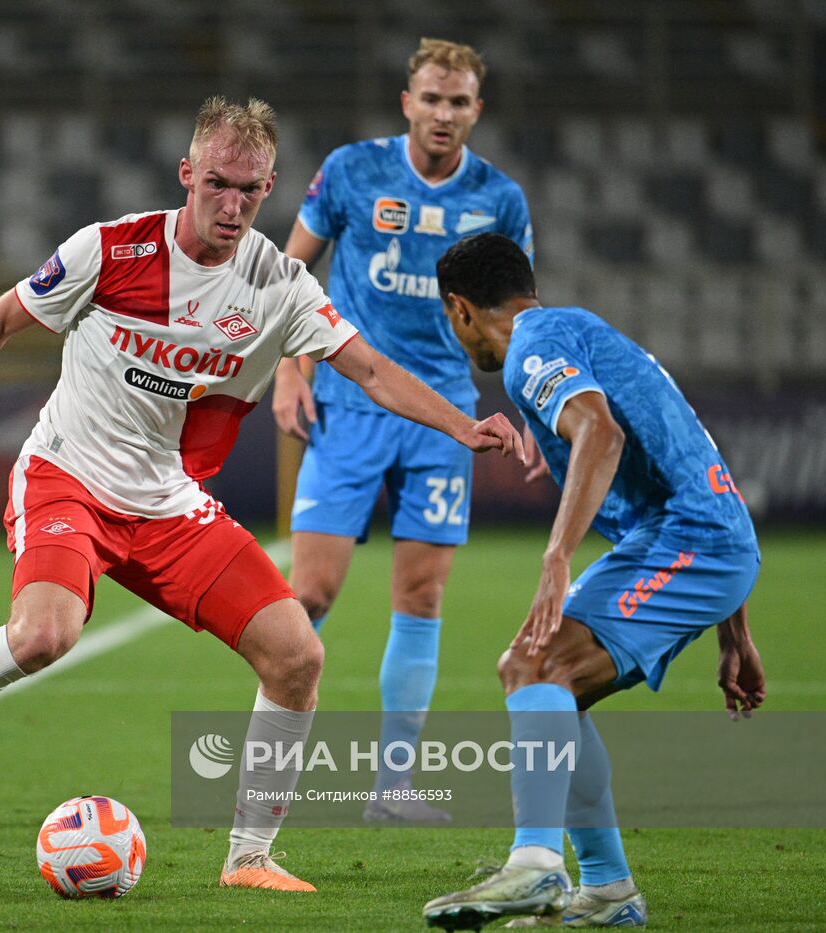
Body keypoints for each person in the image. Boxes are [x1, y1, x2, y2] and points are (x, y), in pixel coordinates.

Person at [0, 97, 523, 892]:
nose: (232, 204)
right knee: (44, 635)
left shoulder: (278, 284)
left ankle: (248, 857)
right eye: (217, 183)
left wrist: (463, 426)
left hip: (168, 503)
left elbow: (367, 367)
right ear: (187, 175)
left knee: (297, 657)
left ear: (269, 188)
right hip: (67, 476)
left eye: (250, 190)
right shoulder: (109, 250)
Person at [420, 234, 763, 929]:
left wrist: (556, 556)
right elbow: (683, 452)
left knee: (535, 663)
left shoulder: (527, 351)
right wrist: (737, 635)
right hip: (693, 539)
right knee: (545, 680)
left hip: (692, 541)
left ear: (460, 310)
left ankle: (538, 864)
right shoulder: (576, 328)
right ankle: (608, 891)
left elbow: (600, 436)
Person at [271, 38, 535, 821]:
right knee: (309, 589)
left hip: (443, 416)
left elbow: (517, 318)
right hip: (349, 406)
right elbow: (292, 270)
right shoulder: (352, 170)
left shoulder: (502, 200)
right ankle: (268, 765)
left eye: (459, 102)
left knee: (420, 595)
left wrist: (522, 401)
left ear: (476, 111)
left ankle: (393, 788)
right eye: (431, 99)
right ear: (407, 103)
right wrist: (293, 367)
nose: (444, 114)